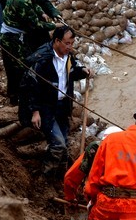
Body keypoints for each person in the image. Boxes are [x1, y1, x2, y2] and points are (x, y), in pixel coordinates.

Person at [20, 26, 90, 177]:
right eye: (67, 43)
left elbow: (73, 72)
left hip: (62, 106)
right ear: (57, 41)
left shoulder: (69, 58)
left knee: (63, 143)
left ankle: (61, 176)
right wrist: (35, 111)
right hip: (46, 107)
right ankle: (46, 176)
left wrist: (83, 71)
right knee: (58, 144)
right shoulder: (42, 59)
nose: (69, 47)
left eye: (72, 43)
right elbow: (31, 86)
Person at [0, 0, 55, 108]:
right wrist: (53, 25)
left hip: (16, 35)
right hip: (11, 38)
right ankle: (18, 100)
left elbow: (34, 4)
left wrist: (42, 12)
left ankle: (17, 97)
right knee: (19, 67)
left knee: (19, 66)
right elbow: (35, 25)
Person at [63, 125, 123, 203]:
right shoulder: (94, 150)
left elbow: (71, 176)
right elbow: (72, 176)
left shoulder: (124, 159)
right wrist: (70, 197)